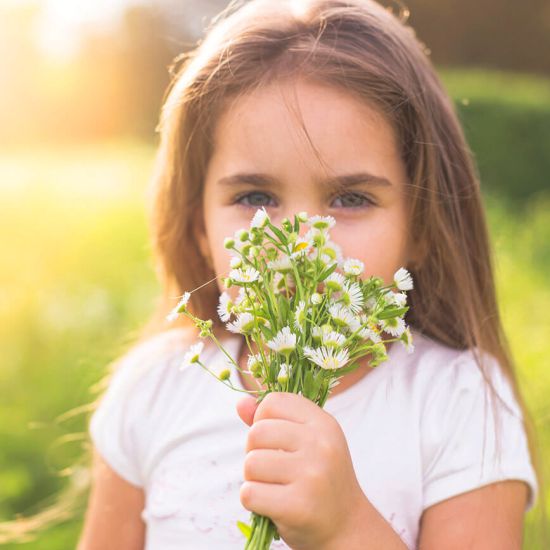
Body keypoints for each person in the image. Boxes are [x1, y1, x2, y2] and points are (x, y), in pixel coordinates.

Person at [76, 0, 542, 548]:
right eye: (254, 197)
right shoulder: (153, 391)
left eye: (350, 198)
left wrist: (346, 526)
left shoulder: (458, 402)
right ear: (198, 227)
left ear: (421, 227)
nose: (299, 243)